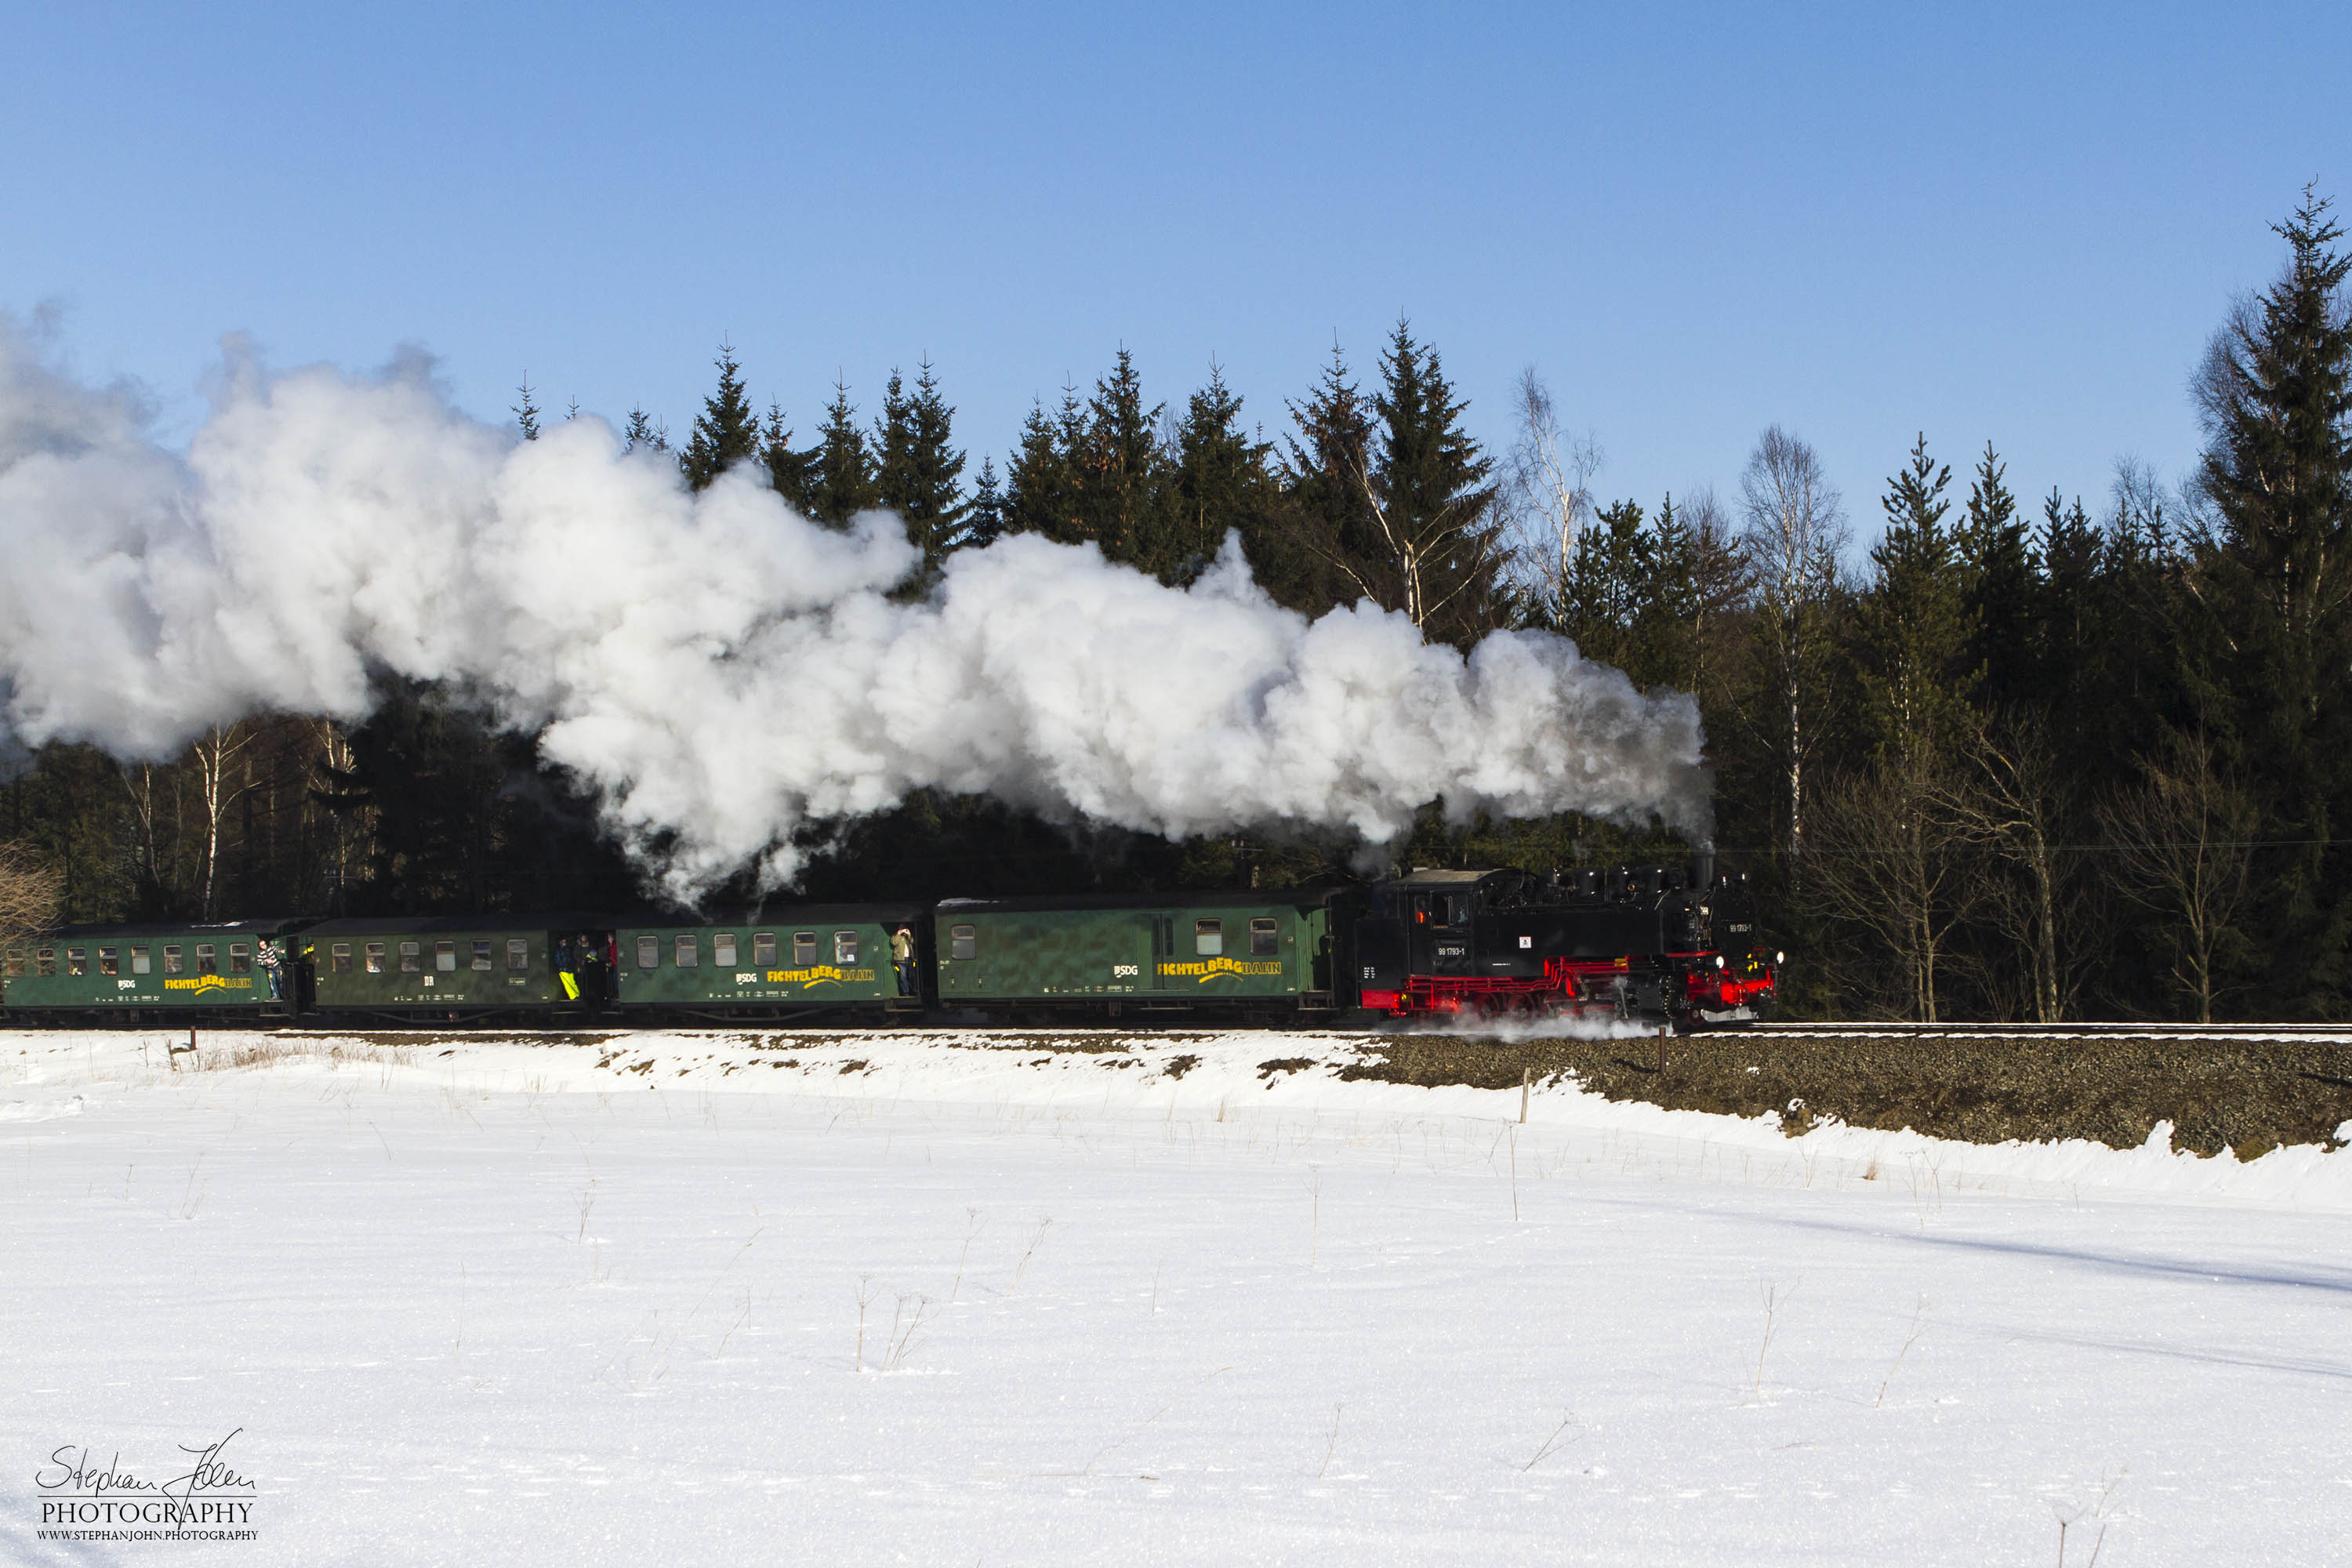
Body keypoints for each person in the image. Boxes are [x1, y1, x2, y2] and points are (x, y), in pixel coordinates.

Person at [891, 926, 916, 996]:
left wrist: (909, 934)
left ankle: (912, 990)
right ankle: (906, 992)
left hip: (909, 958)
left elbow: (912, 941)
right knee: (903, 976)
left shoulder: (907, 936)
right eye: (901, 928)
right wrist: (898, 934)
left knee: (911, 975)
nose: (903, 930)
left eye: (904, 928)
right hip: (900, 959)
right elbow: (894, 942)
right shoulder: (896, 936)